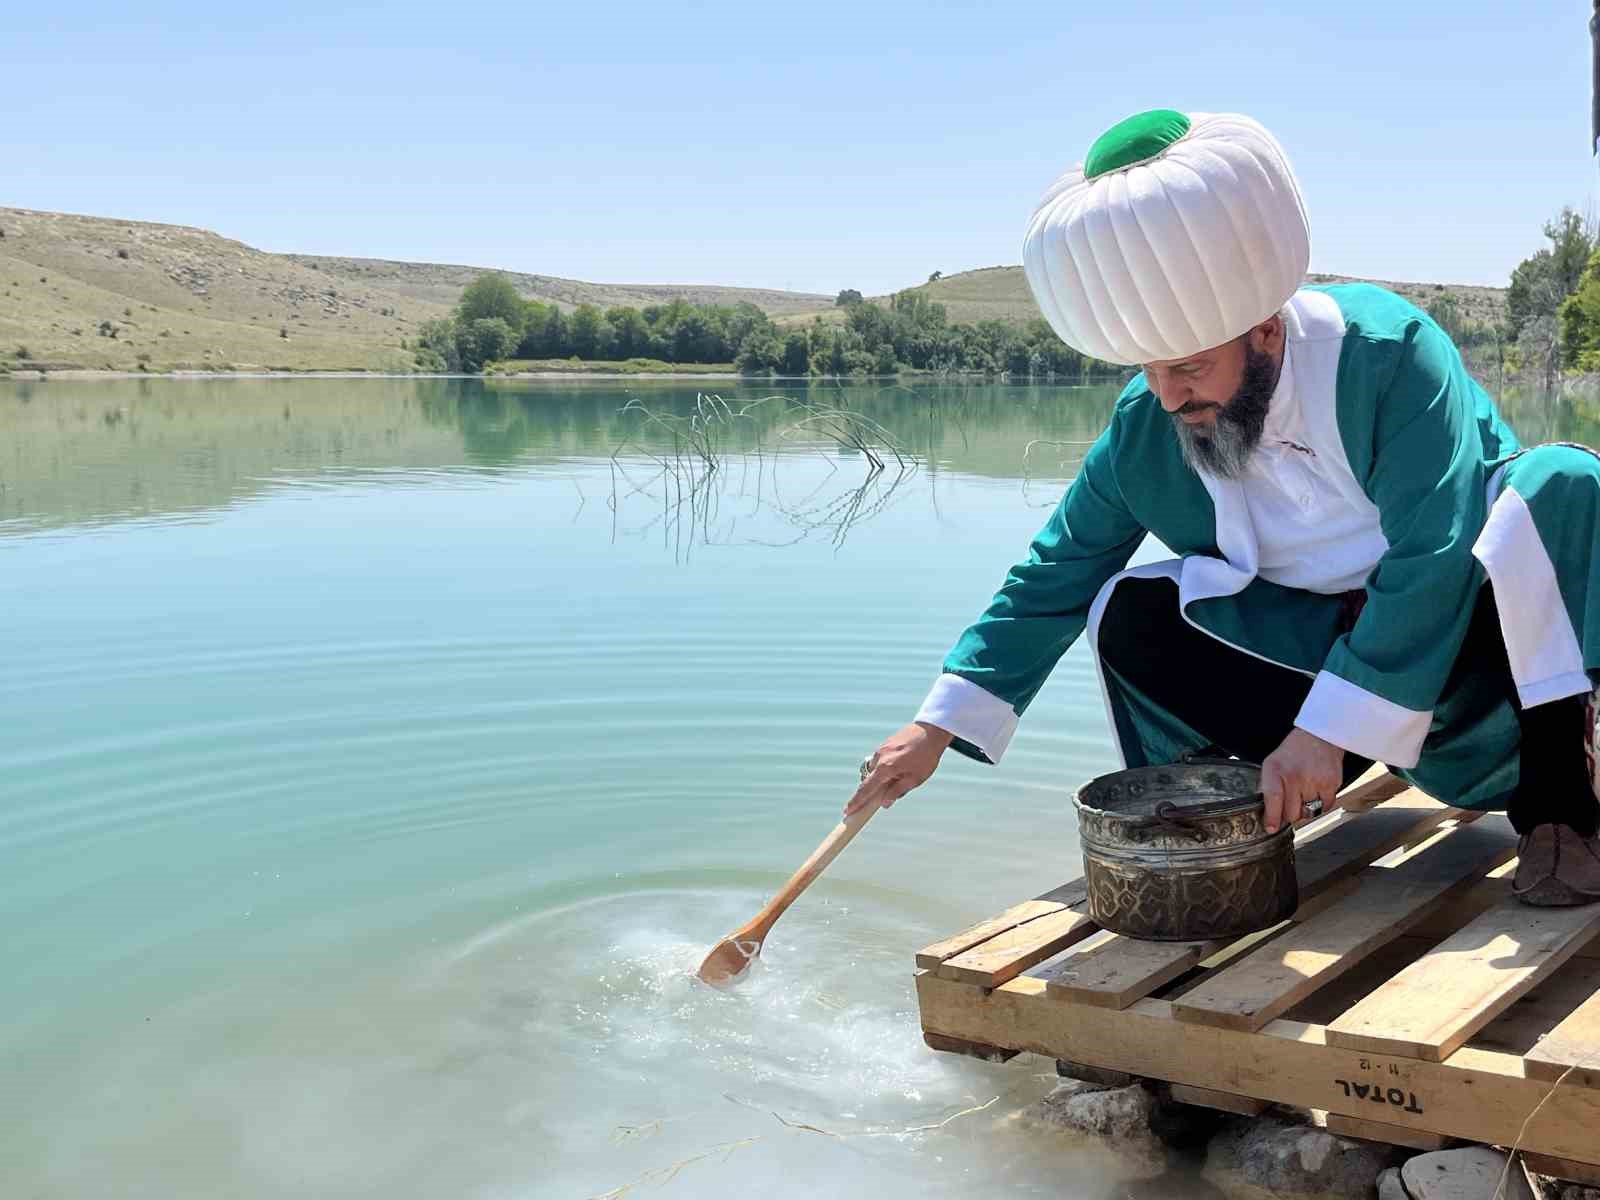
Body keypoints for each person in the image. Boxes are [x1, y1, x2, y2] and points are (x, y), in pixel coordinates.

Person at [847, 109, 1600, 906]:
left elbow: (1437, 551)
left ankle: (1564, 816)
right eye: (1150, 370)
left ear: (1267, 331)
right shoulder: (1148, 425)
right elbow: (1056, 571)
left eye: (1191, 367)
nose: (1170, 397)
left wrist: (1328, 730)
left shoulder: (1390, 356)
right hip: (1317, 662)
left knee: (1561, 483)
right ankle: (1229, 823)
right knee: (1131, 608)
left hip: (1486, 667)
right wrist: (937, 726)